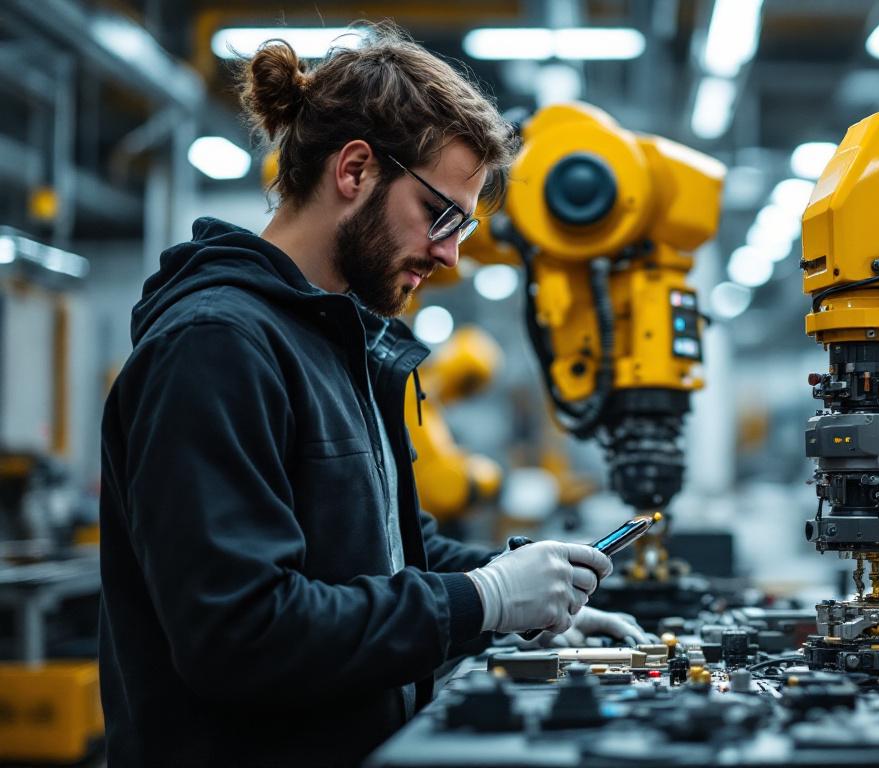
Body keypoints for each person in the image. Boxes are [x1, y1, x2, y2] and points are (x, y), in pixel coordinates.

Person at [98, 25, 644, 766]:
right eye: (442, 215)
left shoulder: (337, 342)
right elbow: (240, 634)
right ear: (355, 170)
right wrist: (484, 599)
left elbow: (388, 555)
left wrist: (530, 589)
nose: (451, 253)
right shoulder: (214, 346)